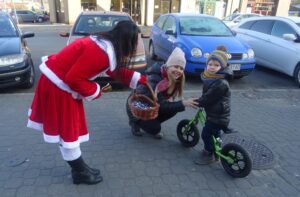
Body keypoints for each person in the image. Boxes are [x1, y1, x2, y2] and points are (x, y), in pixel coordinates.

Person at [27, 21, 147, 185]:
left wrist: (139, 79)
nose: (134, 48)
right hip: (58, 87)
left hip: (59, 85)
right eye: (134, 42)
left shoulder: (103, 44)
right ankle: (79, 171)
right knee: (68, 132)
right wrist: (97, 90)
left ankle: (79, 169)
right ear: (126, 40)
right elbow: (73, 78)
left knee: (70, 131)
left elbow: (112, 69)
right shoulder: (102, 52)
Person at [126, 47, 198, 139]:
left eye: (181, 68)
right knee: (155, 128)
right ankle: (136, 123)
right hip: (137, 109)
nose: (178, 70)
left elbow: (163, 103)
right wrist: (183, 103)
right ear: (168, 66)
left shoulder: (174, 79)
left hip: (152, 106)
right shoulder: (155, 80)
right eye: (176, 66)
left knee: (174, 108)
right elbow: (162, 105)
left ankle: (152, 121)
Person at [194, 45, 233, 165]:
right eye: (210, 64)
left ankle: (209, 153)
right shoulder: (212, 77)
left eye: (216, 65)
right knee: (215, 134)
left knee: (206, 134)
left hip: (218, 116)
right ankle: (217, 152)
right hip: (216, 113)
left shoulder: (220, 82)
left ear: (222, 67)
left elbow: (208, 97)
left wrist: (197, 101)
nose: (212, 67)